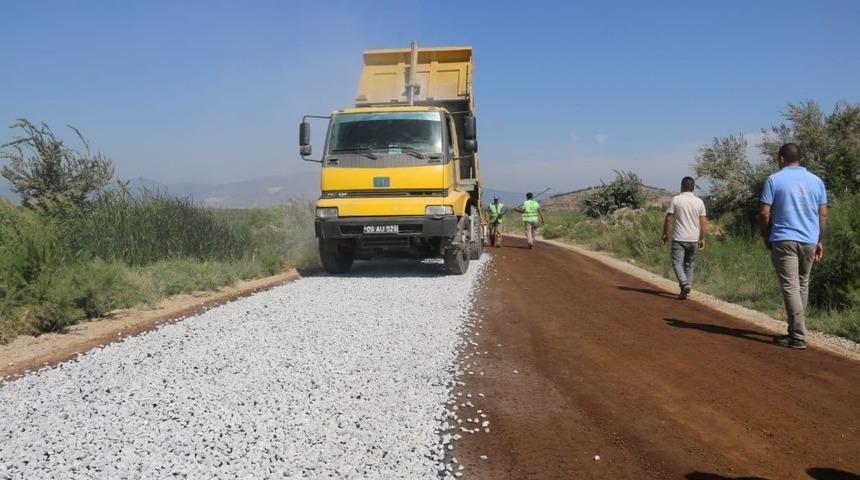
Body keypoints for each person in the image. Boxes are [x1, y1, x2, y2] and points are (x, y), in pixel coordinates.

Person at [758, 142, 828, 350]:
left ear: (781, 159)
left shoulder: (774, 179)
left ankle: (797, 335)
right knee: (802, 283)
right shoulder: (817, 181)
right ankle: (794, 329)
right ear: (801, 159)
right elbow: (823, 214)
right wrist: (819, 240)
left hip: (784, 238)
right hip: (809, 239)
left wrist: (765, 236)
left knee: (790, 286)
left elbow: (764, 212)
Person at [662, 176, 708, 299]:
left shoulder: (676, 200)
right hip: (693, 238)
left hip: (679, 237)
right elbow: (703, 221)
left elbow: (668, 217)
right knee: (689, 264)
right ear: (693, 188)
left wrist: (665, 233)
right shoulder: (699, 202)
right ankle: (685, 290)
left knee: (677, 262)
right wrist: (702, 238)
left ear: (681, 187)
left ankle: (684, 283)